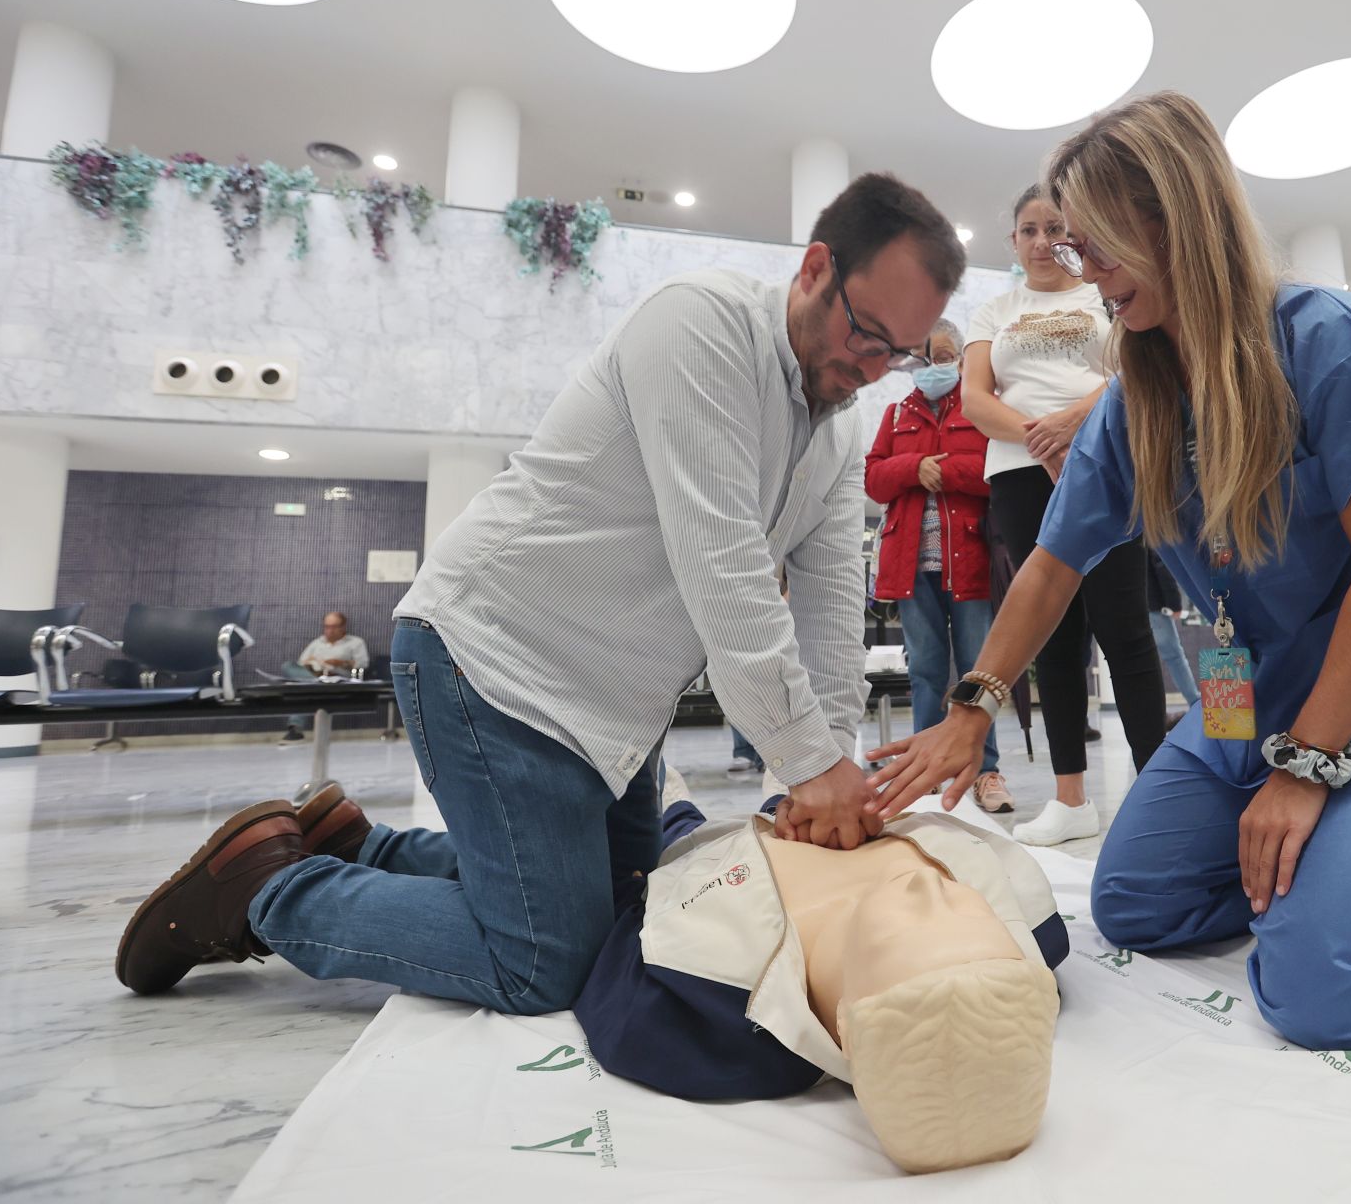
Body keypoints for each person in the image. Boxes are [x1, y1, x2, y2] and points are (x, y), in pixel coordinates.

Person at [115, 173, 968, 1011]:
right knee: (545, 961)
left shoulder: (840, 428)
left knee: (633, 912)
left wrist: (827, 769)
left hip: (613, 711)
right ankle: (268, 893)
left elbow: (826, 608)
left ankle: (362, 847)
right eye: (866, 333)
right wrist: (808, 764)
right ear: (815, 267)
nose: (873, 367)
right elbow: (726, 566)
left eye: (898, 355)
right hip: (495, 663)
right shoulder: (701, 324)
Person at [866, 92, 1351, 1054]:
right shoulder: (1137, 400)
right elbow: (1050, 567)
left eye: (1097, 246)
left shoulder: (1330, 340)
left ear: (1174, 218)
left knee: (1327, 996)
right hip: (1243, 704)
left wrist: (1309, 769)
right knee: (1133, 905)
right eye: (1069, 248)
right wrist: (972, 707)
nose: (1084, 272)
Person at [574, 766, 1064, 1173]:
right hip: (840, 805)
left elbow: (630, 926)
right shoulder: (1031, 924)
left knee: (680, 829)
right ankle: (780, 783)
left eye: (919, 924)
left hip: (719, 859)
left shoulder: (695, 1021)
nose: (929, 887)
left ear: (849, 1026)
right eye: (968, 914)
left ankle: (678, 803)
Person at [961, 184, 1166, 846]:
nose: (1043, 240)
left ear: (1075, 236)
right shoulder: (995, 309)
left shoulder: (1100, 295)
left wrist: (1073, 425)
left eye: (1055, 228)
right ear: (1013, 242)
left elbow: (1135, 372)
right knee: (1052, 633)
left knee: (1124, 629)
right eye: (1029, 230)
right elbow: (974, 397)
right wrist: (1037, 437)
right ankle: (1071, 799)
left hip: (1105, 458)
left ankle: (1159, 791)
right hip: (1021, 473)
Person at [865, 319, 1009, 813]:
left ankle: (985, 771)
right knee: (925, 670)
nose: (933, 366)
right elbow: (874, 478)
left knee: (977, 674)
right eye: (923, 357)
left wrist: (943, 470)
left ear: (963, 359)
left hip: (970, 562)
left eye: (944, 355)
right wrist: (913, 468)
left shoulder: (979, 409)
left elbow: (996, 472)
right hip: (910, 566)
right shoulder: (895, 414)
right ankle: (922, 776)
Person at [279, 611, 370, 742]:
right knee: (288, 666)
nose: (330, 631)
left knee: (302, 689)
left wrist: (342, 663)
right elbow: (300, 663)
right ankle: (314, 683)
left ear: (343, 626)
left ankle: (295, 729)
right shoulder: (317, 643)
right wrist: (310, 662)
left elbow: (363, 664)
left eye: (334, 627)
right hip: (314, 674)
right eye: (327, 627)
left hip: (337, 679)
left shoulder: (355, 642)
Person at [1146, 552, 1201, 722]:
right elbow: (1161, 565)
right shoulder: (1146, 531)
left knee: (1144, 660)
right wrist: (1174, 602)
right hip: (1153, 605)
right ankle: (1195, 702)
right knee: (1174, 657)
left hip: (1135, 603)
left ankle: (1152, 711)